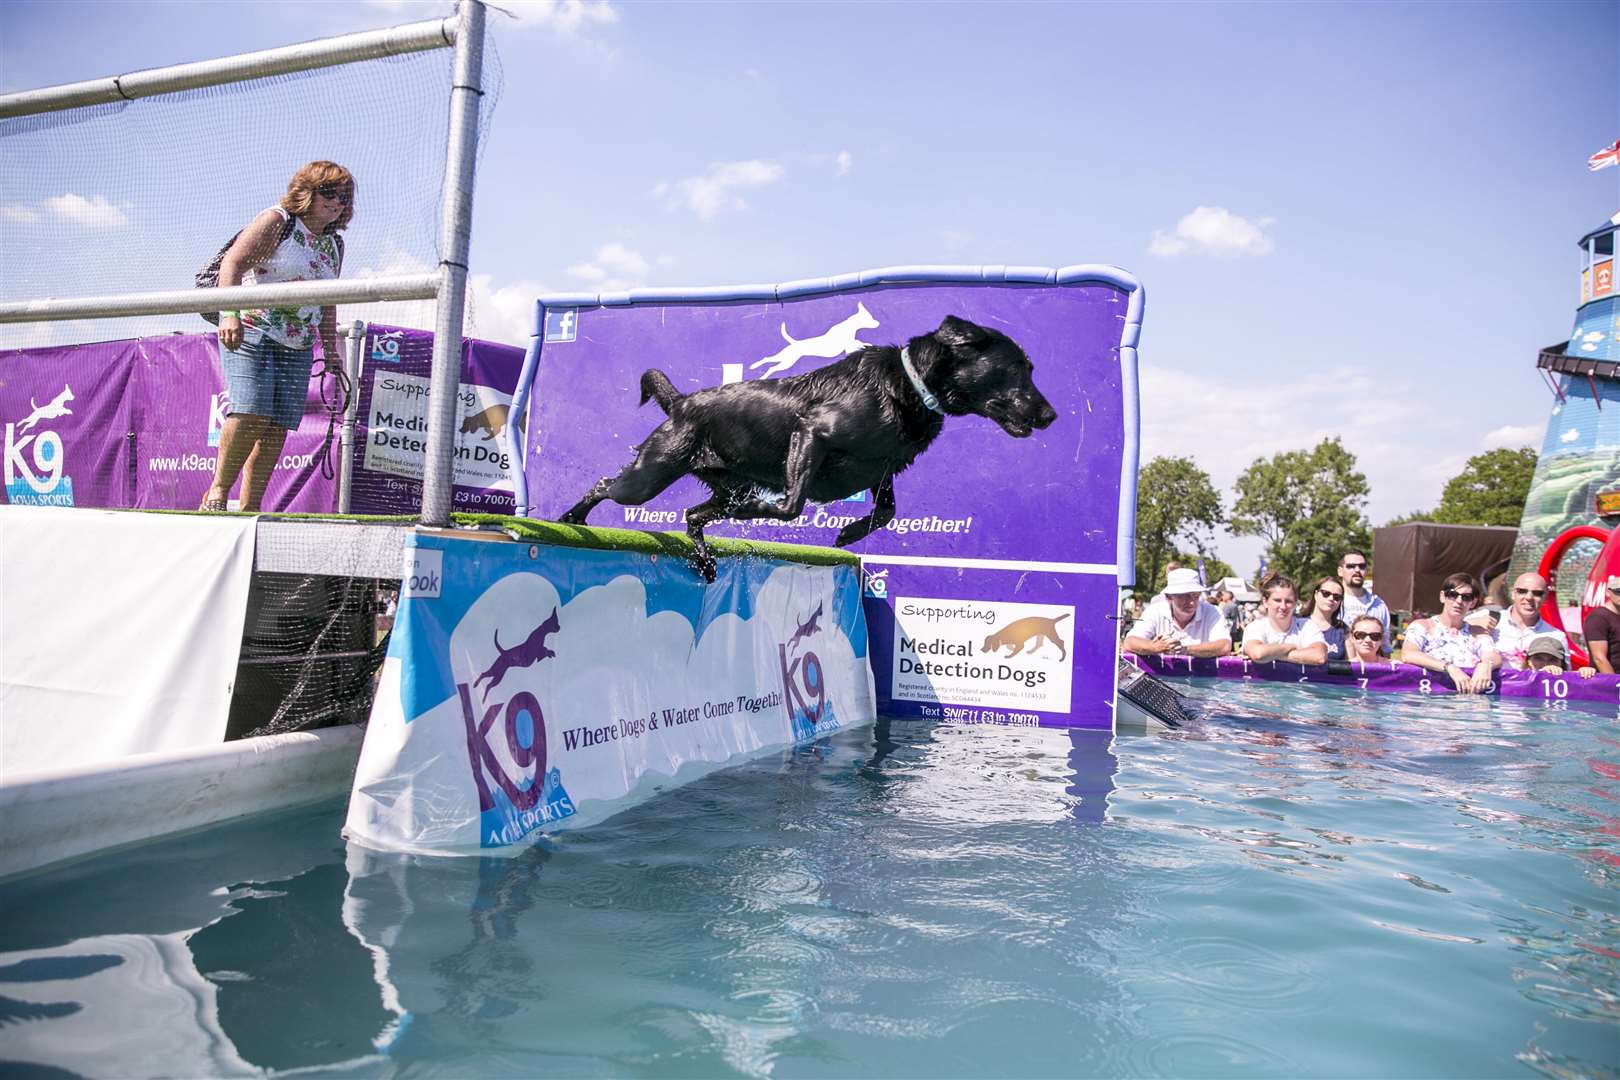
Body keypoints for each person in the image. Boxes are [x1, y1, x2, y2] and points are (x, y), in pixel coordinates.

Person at [201, 161, 353, 512]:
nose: (336, 202)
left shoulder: (335, 245)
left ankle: (250, 508)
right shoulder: (278, 221)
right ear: (307, 192)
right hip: (252, 329)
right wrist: (229, 313)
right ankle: (217, 493)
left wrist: (330, 348)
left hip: (298, 343)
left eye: (344, 197)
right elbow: (233, 264)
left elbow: (327, 299)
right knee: (250, 411)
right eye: (328, 193)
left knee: (276, 426)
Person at [1399, 572, 1502, 694]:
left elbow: (1493, 657)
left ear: (1473, 602)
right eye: (1452, 594)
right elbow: (1408, 654)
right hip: (1428, 700)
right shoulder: (1423, 626)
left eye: (1466, 597)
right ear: (1442, 596)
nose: (1459, 601)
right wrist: (1450, 668)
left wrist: (1486, 665)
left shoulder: (1477, 632)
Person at [1123, 568, 1233, 657]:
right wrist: (1156, 647)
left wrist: (1185, 649)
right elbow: (1130, 642)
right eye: (1184, 596)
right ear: (1168, 597)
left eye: (1195, 596)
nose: (1191, 602)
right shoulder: (1155, 611)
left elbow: (1224, 646)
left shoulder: (1213, 611)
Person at [1241, 573, 1328, 664]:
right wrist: (1291, 647)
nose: (1283, 606)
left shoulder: (1307, 625)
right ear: (1265, 602)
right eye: (1277, 600)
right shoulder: (1255, 627)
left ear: (1295, 603)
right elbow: (1258, 654)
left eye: (1288, 601)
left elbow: (1319, 656)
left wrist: (1273, 655)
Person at [1494, 573, 1559, 669]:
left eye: (1537, 593)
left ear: (1545, 598)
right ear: (1513, 594)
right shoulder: (1484, 620)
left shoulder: (1557, 637)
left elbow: (1566, 677)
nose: (1529, 597)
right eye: (1522, 591)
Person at [1338, 550, 1390, 647]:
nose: (1357, 570)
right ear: (1340, 571)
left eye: (1362, 566)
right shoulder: (1330, 600)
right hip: (1337, 661)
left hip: (1369, 662)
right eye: (1351, 566)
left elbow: (1384, 646)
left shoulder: (1378, 604)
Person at [1301, 575, 1349, 660]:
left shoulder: (1343, 629)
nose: (1331, 599)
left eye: (1337, 597)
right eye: (1326, 594)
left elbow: (1351, 663)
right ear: (1316, 595)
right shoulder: (1298, 623)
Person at [1582, 575, 1620, 674]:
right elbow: (1599, 658)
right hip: (1608, 683)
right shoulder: (1598, 618)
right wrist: (1613, 684)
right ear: (1608, 592)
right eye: (1618, 591)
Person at [1522, 633, 1596, 678]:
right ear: (1529, 661)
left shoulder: (1569, 682)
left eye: (1552, 660)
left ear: (1561, 663)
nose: (1546, 664)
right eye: (1539, 658)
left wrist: (1585, 674)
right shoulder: (1518, 681)